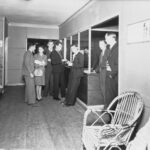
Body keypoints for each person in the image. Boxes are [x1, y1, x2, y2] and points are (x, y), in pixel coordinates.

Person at [105, 32, 118, 107]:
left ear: (112, 38)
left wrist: (111, 74)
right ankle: (110, 116)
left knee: (112, 98)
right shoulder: (112, 48)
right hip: (110, 76)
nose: (105, 40)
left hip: (113, 77)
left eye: (106, 38)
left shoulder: (117, 48)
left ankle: (112, 117)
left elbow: (118, 64)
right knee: (109, 98)